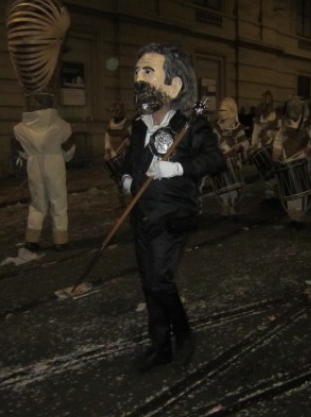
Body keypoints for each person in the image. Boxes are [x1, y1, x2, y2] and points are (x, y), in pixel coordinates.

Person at [120, 43, 226, 372]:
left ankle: (183, 333)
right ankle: (160, 346)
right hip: (142, 213)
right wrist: (126, 178)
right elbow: (130, 160)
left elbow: (215, 160)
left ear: (174, 85)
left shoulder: (190, 125)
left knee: (159, 281)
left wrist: (177, 168)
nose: (139, 79)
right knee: (148, 282)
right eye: (137, 72)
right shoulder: (139, 125)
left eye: (148, 71)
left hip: (172, 214)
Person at [13, 93, 76, 251]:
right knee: (58, 201)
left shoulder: (20, 128)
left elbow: (22, 152)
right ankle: (60, 240)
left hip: (34, 164)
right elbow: (69, 150)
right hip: (55, 162)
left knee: (37, 202)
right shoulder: (61, 125)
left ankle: (32, 238)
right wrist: (65, 157)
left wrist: (32, 155)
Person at [272, 95, 311, 228]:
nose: (293, 110)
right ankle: (293, 216)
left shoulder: (309, 124)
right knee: (290, 190)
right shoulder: (284, 124)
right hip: (286, 161)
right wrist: (276, 153)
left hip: (302, 161)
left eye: (295, 108)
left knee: (300, 190)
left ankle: (300, 217)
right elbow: (278, 141)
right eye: (291, 108)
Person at [211, 97, 250, 216]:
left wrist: (238, 147)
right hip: (220, 161)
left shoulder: (237, 127)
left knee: (233, 185)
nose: (221, 113)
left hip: (234, 161)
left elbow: (245, 143)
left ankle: (232, 205)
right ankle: (224, 205)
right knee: (222, 184)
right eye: (220, 110)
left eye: (224, 110)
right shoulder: (215, 128)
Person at [249, 90, 279, 200]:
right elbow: (255, 133)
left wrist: (270, 134)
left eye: (268, 101)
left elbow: (280, 132)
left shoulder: (276, 117)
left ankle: (274, 190)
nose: (265, 105)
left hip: (273, 146)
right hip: (261, 147)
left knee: (273, 170)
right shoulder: (259, 118)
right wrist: (252, 145)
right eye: (264, 102)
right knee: (264, 171)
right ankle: (269, 193)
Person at [103, 102, 132, 207]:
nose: (115, 113)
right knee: (117, 179)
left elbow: (134, 138)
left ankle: (133, 201)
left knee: (128, 177)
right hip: (114, 154)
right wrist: (107, 152)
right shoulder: (110, 124)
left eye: (117, 110)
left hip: (126, 155)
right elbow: (107, 139)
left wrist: (129, 141)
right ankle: (122, 202)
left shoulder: (128, 124)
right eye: (113, 111)